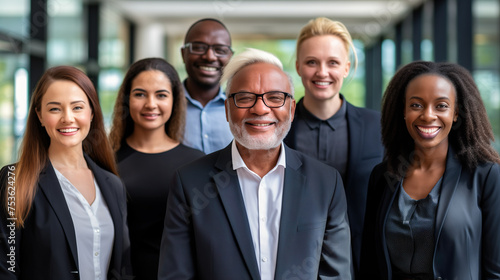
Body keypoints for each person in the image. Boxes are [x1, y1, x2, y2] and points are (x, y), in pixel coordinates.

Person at [158, 48, 352, 280]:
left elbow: (336, 275)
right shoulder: (189, 182)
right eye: (245, 98)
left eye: (274, 97)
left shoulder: (326, 183)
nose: (260, 109)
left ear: (291, 110)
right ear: (227, 110)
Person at [360, 61, 500, 279]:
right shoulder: (383, 177)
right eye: (416, 105)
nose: (427, 115)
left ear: (456, 113)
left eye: (441, 106)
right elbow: (369, 263)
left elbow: (495, 271)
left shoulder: (485, 175)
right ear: (403, 111)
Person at [0, 66, 132, 279]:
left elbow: (123, 266)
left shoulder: (112, 185)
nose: (67, 118)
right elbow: (6, 267)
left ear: (91, 113)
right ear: (39, 116)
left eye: (77, 107)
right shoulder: (15, 180)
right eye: (54, 109)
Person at [284, 17, 384, 273]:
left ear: (347, 68)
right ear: (298, 66)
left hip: (364, 263)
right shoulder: (277, 128)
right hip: (290, 262)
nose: (322, 72)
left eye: (333, 63)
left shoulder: (378, 126)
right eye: (311, 62)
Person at [109, 57, 204, 280]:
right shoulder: (105, 162)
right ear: (126, 99)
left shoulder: (197, 163)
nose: (150, 104)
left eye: (161, 95)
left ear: (174, 101)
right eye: (140, 94)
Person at [180, 18, 234, 154]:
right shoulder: (163, 107)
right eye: (198, 47)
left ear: (230, 57)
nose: (210, 57)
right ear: (183, 54)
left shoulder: (242, 108)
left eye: (220, 50)